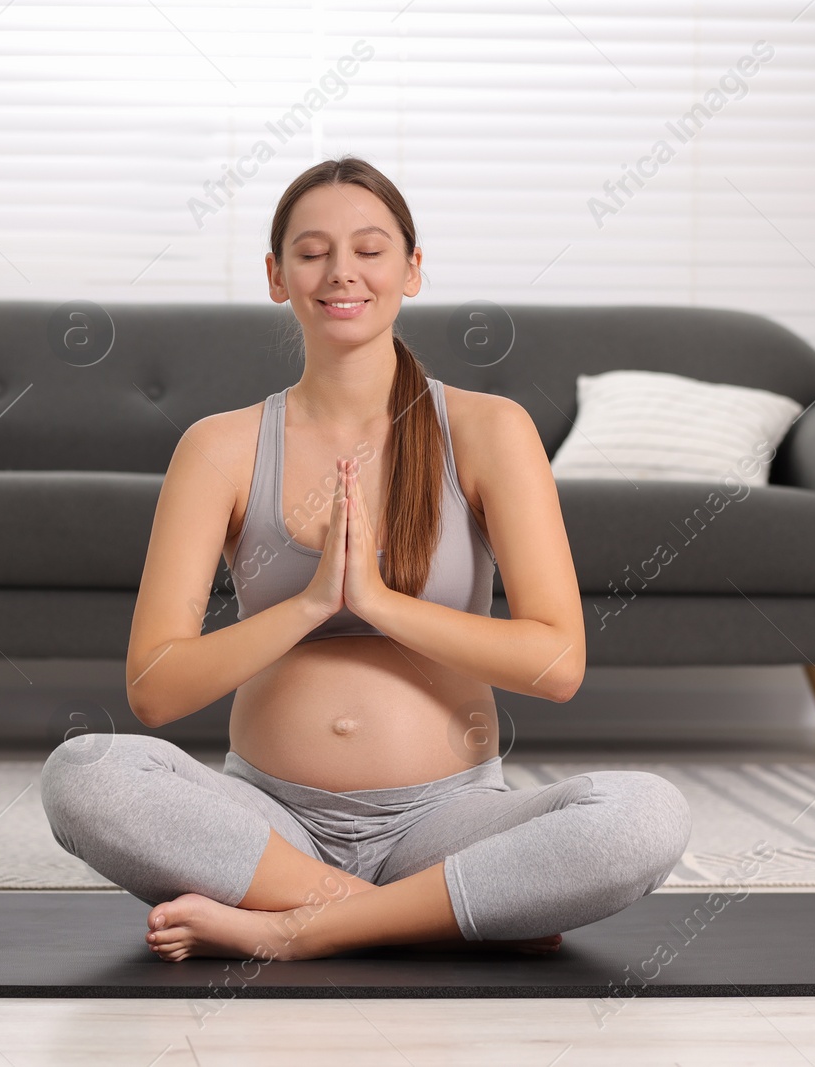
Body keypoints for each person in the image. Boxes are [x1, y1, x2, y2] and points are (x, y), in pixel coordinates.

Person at [41, 155, 690, 963]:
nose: (341, 271)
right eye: (311, 252)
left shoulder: (491, 430)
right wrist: (311, 603)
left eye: (370, 249)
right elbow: (154, 689)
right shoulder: (220, 446)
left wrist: (380, 601)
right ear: (277, 277)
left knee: (646, 814)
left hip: (446, 823)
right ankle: (410, 917)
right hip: (267, 823)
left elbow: (557, 662)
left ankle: (293, 929)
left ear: (412, 270)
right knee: (82, 771)